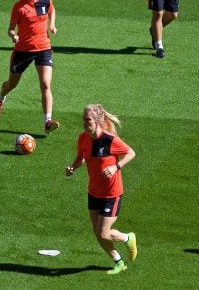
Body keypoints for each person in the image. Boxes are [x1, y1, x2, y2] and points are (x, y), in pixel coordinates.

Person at [65, 104, 137, 275]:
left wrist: (115, 167)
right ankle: (118, 262)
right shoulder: (83, 138)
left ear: (97, 121)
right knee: (97, 233)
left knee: (103, 233)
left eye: (88, 120)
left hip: (111, 194)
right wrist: (73, 168)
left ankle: (127, 238)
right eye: (83, 119)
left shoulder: (109, 139)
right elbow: (81, 157)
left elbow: (131, 153)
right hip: (94, 191)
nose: (84, 122)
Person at [0, 0, 60, 135]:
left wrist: (52, 25)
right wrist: (13, 35)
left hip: (43, 48)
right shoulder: (19, 7)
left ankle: (47, 121)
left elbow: (52, 10)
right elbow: (10, 29)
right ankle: (1, 97)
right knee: (12, 84)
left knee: (45, 84)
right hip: (22, 51)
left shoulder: (45, 1)